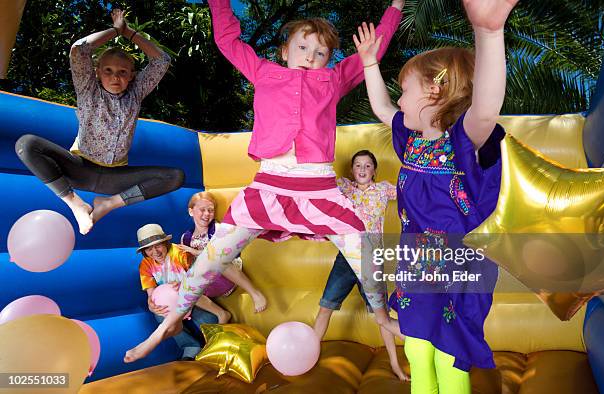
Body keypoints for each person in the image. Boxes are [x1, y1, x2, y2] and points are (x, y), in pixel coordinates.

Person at [124, 0, 405, 363]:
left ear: (328, 60)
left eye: (320, 53)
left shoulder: (333, 80)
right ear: (285, 50)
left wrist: (396, 5)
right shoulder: (264, 71)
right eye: (303, 47)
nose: (310, 56)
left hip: (318, 187)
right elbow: (229, 41)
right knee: (210, 258)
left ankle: (382, 315)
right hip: (268, 186)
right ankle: (167, 325)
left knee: (364, 249)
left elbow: (374, 48)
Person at [353, 0, 517, 391]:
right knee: (417, 350)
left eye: (405, 90)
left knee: (448, 357)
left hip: (459, 270)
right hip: (418, 265)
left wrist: (490, 34)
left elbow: (487, 105)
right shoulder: (411, 143)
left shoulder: (464, 142)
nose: (400, 99)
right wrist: (369, 62)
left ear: (434, 91)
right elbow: (380, 106)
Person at [15, 9, 181, 235]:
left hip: (115, 178)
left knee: (175, 176)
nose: (115, 77)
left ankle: (109, 204)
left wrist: (129, 33)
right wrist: (115, 30)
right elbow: (78, 49)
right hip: (81, 168)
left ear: (132, 76)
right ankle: (76, 204)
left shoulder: (135, 93)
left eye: (123, 72)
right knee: (27, 144)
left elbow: (162, 60)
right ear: (97, 72)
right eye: (109, 71)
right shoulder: (88, 89)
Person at [313, 150, 407, 381]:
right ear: (352, 170)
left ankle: (395, 363)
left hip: (371, 259)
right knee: (325, 307)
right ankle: (309, 355)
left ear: (374, 170)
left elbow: (411, 192)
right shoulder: (345, 188)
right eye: (357, 165)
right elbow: (321, 182)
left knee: (381, 316)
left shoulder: (384, 189)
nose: (362, 169)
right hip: (345, 258)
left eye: (367, 165)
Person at [177, 191, 267, 320]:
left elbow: (228, 253)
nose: (207, 214)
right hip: (208, 282)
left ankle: (255, 293)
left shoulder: (219, 229)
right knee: (186, 287)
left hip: (227, 274)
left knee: (217, 259)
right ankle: (221, 313)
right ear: (191, 211)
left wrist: (196, 252)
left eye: (211, 210)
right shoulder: (186, 237)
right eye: (202, 210)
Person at [137, 223, 218, 361]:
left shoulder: (180, 253)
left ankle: (216, 340)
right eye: (149, 249)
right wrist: (151, 304)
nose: (155, 252)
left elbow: (199, 276)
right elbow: (151, 294)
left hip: (194, 296)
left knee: (211, 321)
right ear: (144, 252)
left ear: (165, 243)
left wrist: (184, 285)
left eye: (158, 246)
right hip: (173, 303)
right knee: (158, 313)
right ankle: (191, 346)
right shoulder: (145, 265)